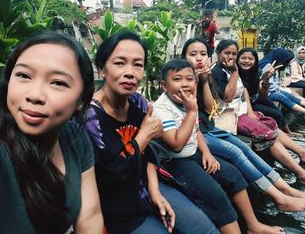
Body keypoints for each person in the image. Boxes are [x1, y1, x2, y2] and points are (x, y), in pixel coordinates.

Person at [85, 31, 219, 234]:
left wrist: (154, 191)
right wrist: (144, 135)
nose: (130, 72)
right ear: (102, 69)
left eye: (137, 65)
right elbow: (112, 174)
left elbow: (147, 155)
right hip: (117, 211)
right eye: (120, 63)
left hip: (143, 191)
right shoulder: (90, 117)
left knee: (207, 229)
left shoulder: (138, 104)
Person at [0, 31, 104, 233]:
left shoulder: (75, 137)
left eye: (58, 82)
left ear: (81, 100)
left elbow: (90, 216)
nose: (34, 95)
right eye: (23, 76)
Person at [181, 38, 305, 212]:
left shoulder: (208, 76)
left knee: (246, 149)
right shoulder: (183, 78)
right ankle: (279, 196)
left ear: (209, 56)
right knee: (235, 151)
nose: (199, 58)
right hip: (199, 131)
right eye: (193, 54)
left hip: (209, 126)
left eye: (203, 54)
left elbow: (208, 107)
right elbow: (198, 111)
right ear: (184, 57)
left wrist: (204, 81)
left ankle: (285, 188)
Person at [153, 58, 285, 234]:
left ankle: (253, 225)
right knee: (215, 195)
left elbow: (195, 130)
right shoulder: (163, 109)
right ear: (164, 85)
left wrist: (207, 152)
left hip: (192, 153)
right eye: (177, 79)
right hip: (174, 162)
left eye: (189, 79)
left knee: (232, 174)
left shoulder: (186, 100)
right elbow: (176, 145)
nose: (184, 85)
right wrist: (192, 111)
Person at [211, 40, 305, 187]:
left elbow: (244, 90)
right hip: (227, 117)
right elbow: (227, 97)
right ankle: (301, 173)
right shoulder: (218, 71)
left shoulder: (233, 69)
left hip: (240, 111)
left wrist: (251, 110)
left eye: (233, 53)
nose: (230, 57)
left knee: (270, 122)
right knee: (267, 134)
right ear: (218, 53)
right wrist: (235, 72)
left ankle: (302, 152)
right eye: (226, 53)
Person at [258, 48, 305, 118]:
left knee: (290, 95)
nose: (286, 62)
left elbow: (275, 82)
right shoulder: (267, 65)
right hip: (266, 92)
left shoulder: (274, 64)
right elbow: (266, 83)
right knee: (282, 97)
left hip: (274, 88)